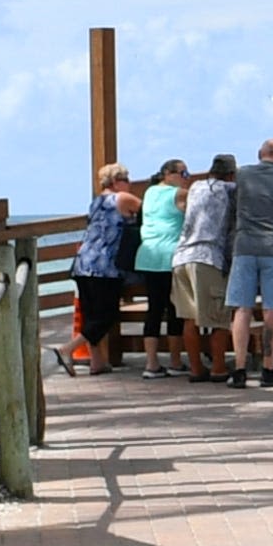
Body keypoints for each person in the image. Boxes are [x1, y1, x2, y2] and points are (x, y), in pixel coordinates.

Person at [223, 143, 273, 392]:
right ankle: (269, 369)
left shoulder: (243, 174)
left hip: (244, 247)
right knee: (272, 311)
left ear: (259, 155)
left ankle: (239, 369)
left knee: (242, 310)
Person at [178, 155, 239, 381]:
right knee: (218, 317)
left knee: (189, 317)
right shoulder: (230, 189)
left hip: (182, 255)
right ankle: (218, 368)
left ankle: (196, 368)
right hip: (208, 257)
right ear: (232, 174)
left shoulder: (195, 187)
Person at [70, 163, 136, 372]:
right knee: (107, 315)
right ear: (116, 182)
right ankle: (67, 349)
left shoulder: (96, 202)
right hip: (105, 265)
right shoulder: (123, 199)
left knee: (91, 314)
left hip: (83, 261)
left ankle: (97, 361)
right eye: (126, 179)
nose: (130, 183)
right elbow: (149, 211)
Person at [135, 159, 191, 370]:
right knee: (175, 311)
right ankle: (175, 361)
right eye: (183, 173)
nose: (187, 178)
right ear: (169, 174)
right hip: (170, 256)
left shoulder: (149, 192)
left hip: (148, 256)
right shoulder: (179, 194)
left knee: (154, 310)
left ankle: (152, 363)